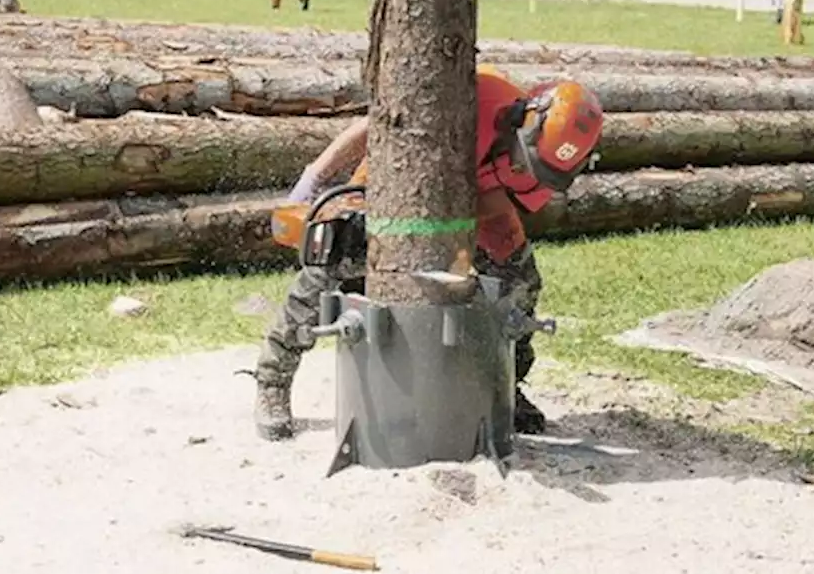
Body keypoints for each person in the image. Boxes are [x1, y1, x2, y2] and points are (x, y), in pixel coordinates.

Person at [252, 65, 605, 443]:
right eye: (525, 159)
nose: (526, 169)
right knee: (333, 255)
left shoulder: (550, 163)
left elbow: (503, 200)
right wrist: (315, 178)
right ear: (526, 118)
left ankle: (506, 382)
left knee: (520, 280)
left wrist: (451, 232)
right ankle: (273, 377)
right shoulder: (475, 94)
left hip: (474, 203)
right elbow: (374, 125)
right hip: (396, 179)